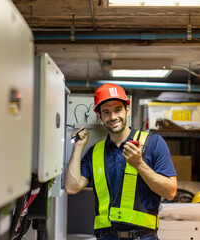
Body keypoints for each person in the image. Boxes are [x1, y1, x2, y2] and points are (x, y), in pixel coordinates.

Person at [65, 83, 177, 240]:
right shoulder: (95, 152)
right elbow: (71, 187)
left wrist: (139, 164)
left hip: (143, 237)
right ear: (100, 117)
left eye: (117, 109)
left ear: (127, 110)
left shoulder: (153, 143)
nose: (112, 117)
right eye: (106, 112)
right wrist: (77, 147)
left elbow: (170, 192)